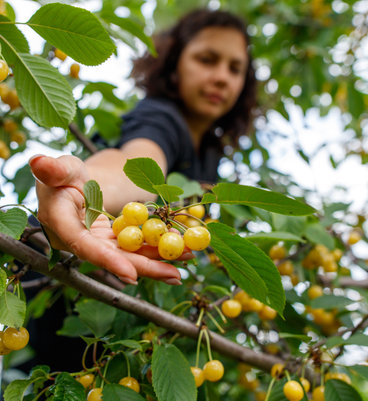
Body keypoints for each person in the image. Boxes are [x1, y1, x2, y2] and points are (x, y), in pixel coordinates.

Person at [29, 8, 256, 286]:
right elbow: (135, 164)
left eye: (235, 68)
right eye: (207, 59)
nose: (222, 77)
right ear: (175, 64)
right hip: (47, 268)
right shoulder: (160, 117)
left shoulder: (210, 152)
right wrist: (85, 189)